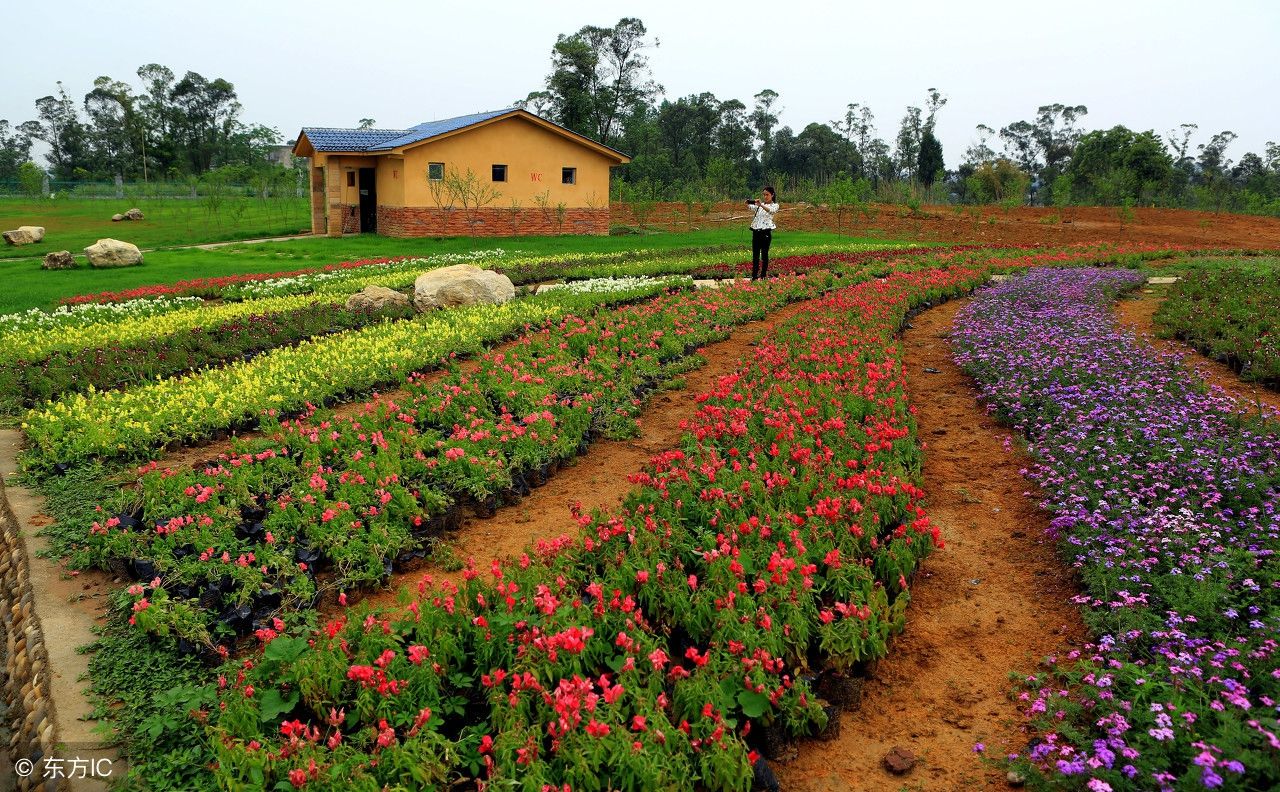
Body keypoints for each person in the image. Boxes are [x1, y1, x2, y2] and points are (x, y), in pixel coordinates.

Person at [746, 186, 778, 280]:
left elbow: (771, 211)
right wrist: (748, 203)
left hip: (766, 233)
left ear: (772, 195)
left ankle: (763, 275)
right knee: (755, 256)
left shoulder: (774, 205)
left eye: (767, 195)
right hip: (756, 232)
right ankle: (754, 276)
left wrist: (761, 205)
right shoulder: (760, 205)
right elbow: (751, 208)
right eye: (764, 195)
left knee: (764, 255)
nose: (765, 196)